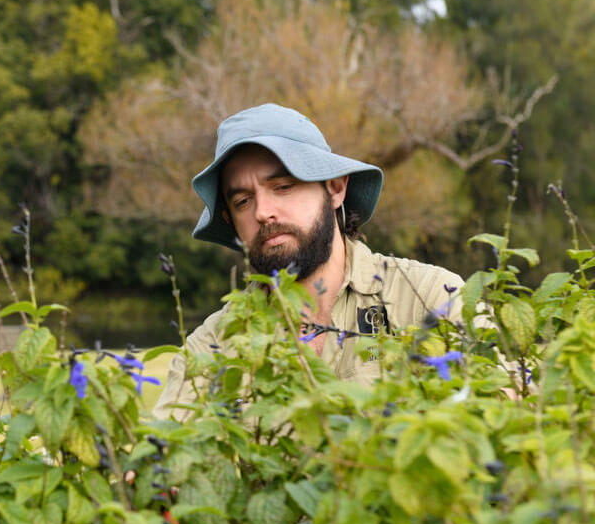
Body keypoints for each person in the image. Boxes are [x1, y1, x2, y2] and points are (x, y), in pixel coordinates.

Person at [153, 103, 464, 420]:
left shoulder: (432, 298)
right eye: (242, 201)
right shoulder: (213, 345)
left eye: (283, 187)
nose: (262, 212)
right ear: (231, 221)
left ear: (334, 188)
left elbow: (503, 412)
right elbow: (162, 453)